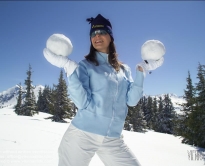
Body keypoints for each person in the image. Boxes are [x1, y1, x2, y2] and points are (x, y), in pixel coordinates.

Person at [43, 14, 164, 166]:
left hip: (112, 138)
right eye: (93, 34)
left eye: (101, 32)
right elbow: (81, 102)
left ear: (110, 36)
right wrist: (70, 69)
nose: (97, 36)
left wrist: (142, 70)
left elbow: (132, 101)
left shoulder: (124, 70)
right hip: (82, 135)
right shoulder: (85, 66)